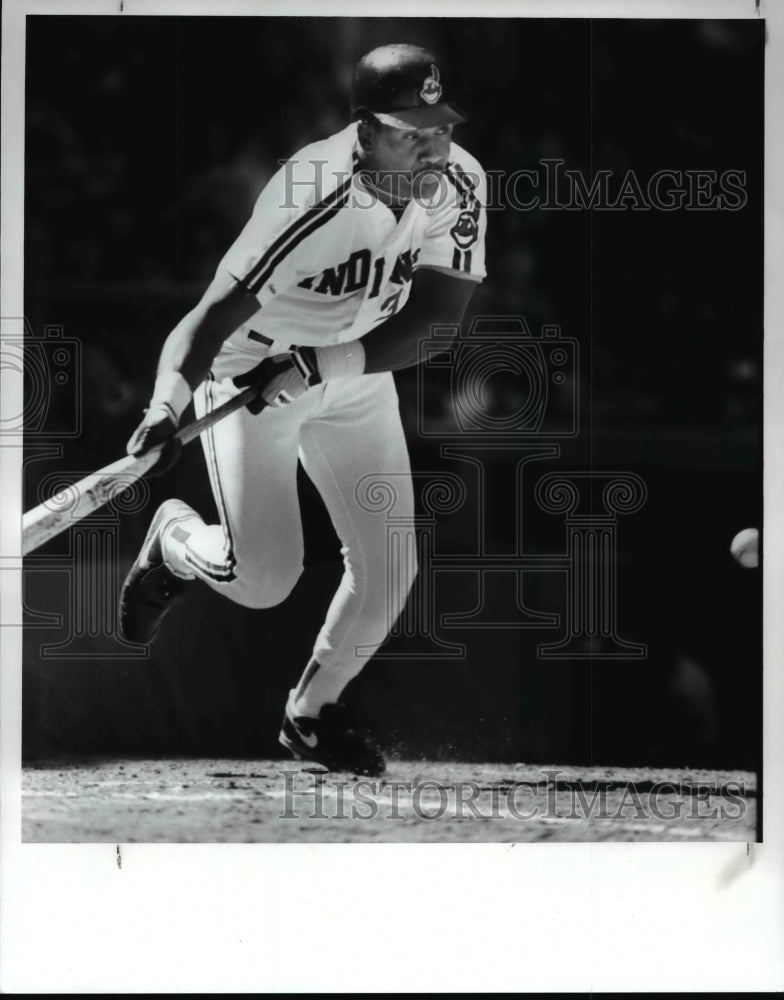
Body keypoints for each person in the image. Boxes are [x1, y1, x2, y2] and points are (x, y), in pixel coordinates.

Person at [119, 43, 488, 775]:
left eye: (439, 125)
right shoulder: (309, 192)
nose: (431, 146)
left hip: (350, 368)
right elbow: (205, 322)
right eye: (408, 130)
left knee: (390, 570)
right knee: (263, 580)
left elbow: (439, 318)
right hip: (254, 374)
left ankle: (311, 716)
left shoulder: (461, 182)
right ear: (363, 131)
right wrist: (167, 406)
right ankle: (176, 541)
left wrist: (324, 366)